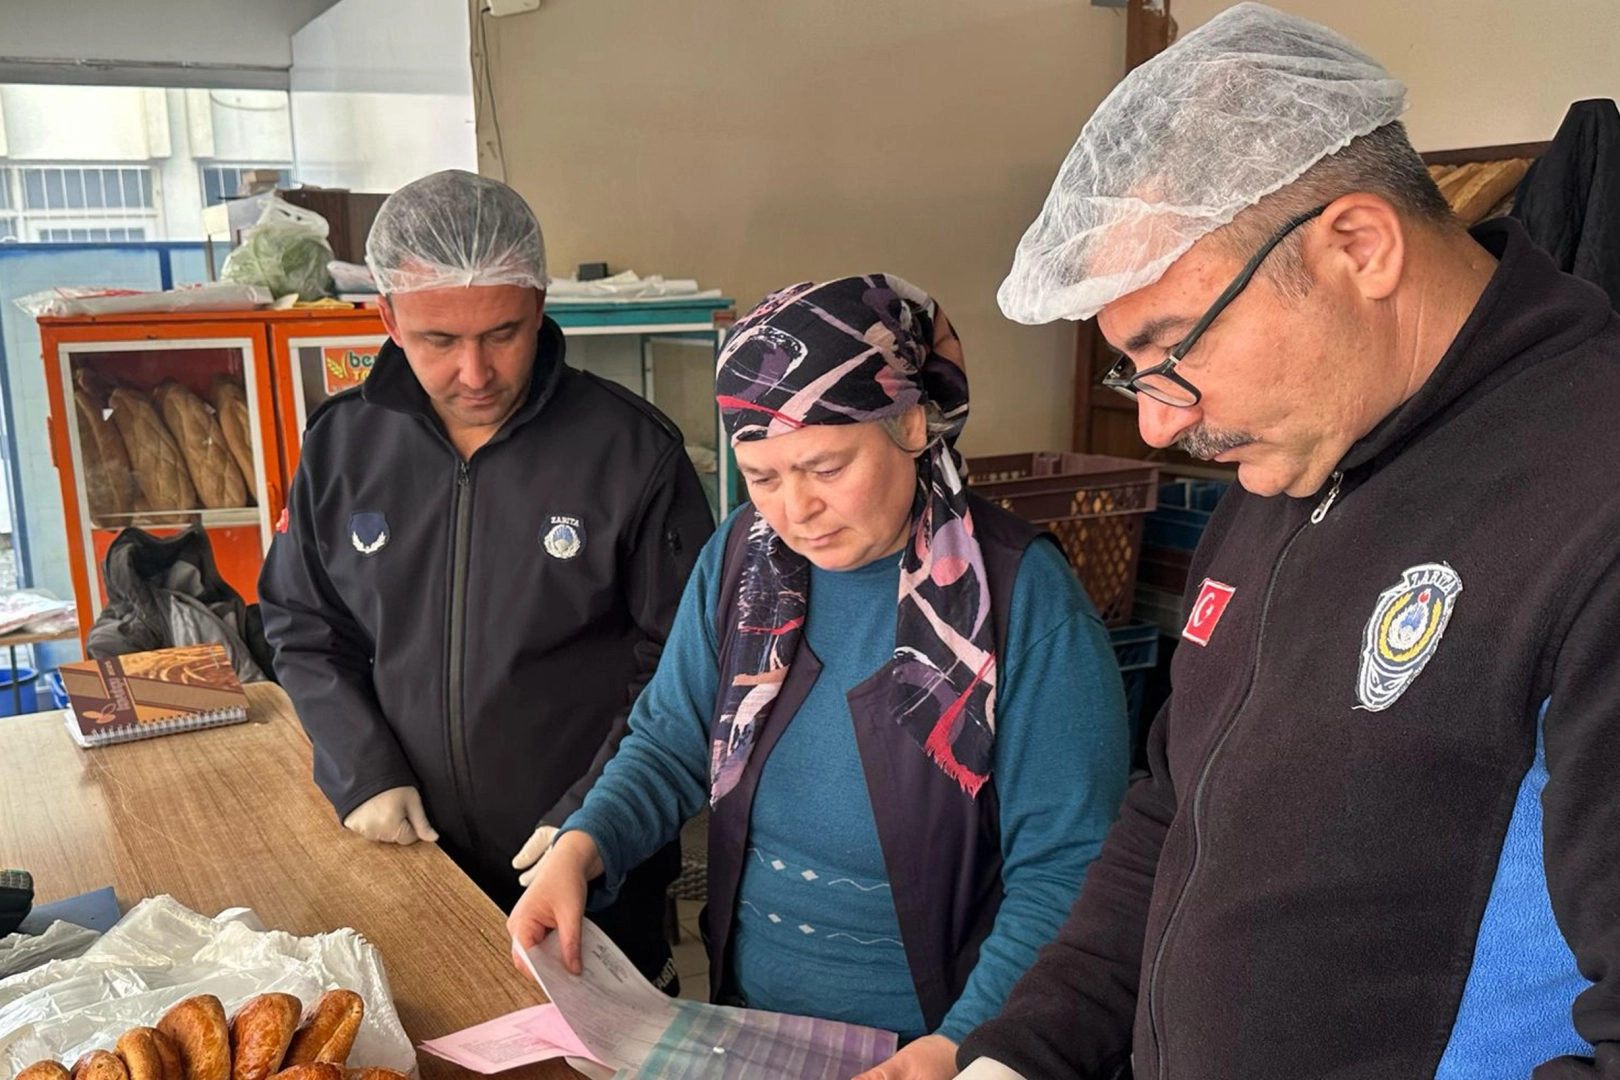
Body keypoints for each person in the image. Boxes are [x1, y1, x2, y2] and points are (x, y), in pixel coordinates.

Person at [954, 5, 1620, 1079]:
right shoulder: (1297, 453)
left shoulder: (1592, 501)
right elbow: (1175, 808)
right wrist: (1020, 1055)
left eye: (1171, 348)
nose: (1161, 422)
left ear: (1358, 246)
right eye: (1132, 369)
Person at [509, 274, 1129, 1079]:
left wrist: (966, 1042)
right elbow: (668, 743)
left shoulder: (1019, 600)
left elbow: (1068, 869)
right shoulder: (743, 562)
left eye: (825, 468)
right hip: (748, 1027)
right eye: (763, 478)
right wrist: (583, 846)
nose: (793, 511)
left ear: (909, 423)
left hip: (940, 1045)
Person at [259, 169, 714, 992]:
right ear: (388, 318)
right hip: (408, 861)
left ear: (539, 305)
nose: (475, 373)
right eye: (439, 341)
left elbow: (683, 668)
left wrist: (595, 815)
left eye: (503, 333)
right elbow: (302, 623)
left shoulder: (631, 453)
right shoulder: (342, 446)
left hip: (589, 879)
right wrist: (362, 767)